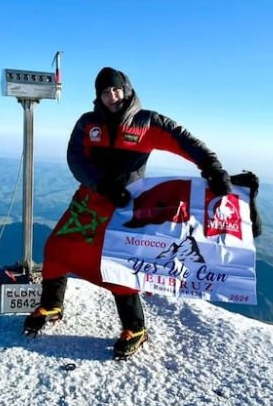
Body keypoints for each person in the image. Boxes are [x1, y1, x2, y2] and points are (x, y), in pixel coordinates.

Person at [23, 66, 232, 359]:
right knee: (57, 247)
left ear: (128, 89)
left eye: (117, 89)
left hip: (125, 206)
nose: (112, 96)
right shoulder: (88, 123)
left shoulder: (147, 122)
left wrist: (211, 167)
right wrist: (101, 183)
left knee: (116, 265)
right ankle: (52, 305)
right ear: (98, 96)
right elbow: (75, 159)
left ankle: (135, 328)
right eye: (105, 92)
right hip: (88, 200)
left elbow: (186, 141)